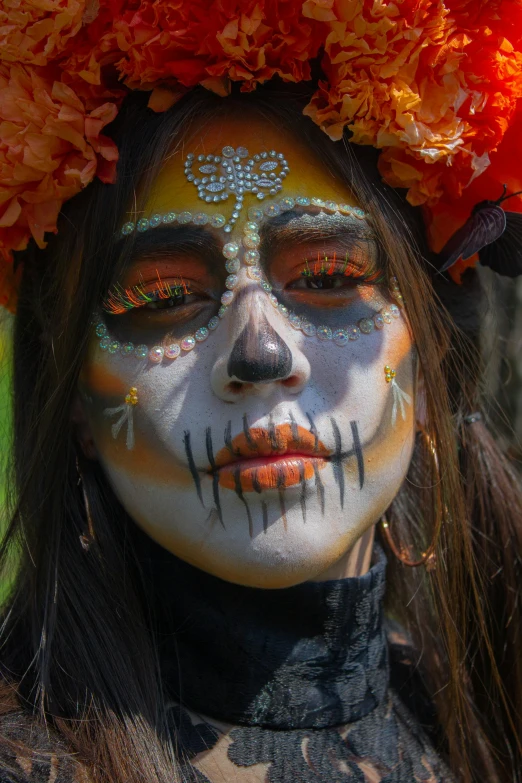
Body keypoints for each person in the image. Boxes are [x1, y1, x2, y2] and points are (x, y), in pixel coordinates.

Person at [0, 3, 521, 782]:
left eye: (327, 277)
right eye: (163, 295)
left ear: (433, 357)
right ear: (73, 388)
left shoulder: (488, 716)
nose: (260, 351)